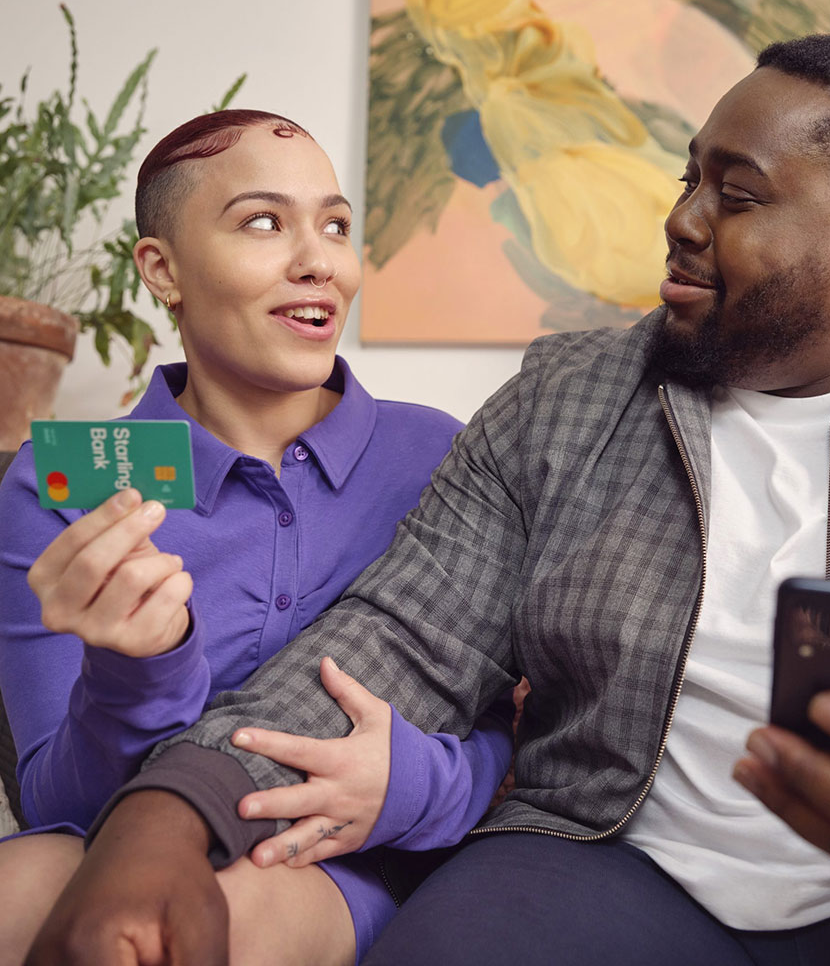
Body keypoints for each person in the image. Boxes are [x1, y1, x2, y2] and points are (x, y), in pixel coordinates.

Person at [26, 38, 830, 966]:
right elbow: (396, 639)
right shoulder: (567, 399)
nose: (682, 218)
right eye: (689, 176)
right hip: (620, 870)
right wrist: (170, 815)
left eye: (735, 194)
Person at [0, 110, 513, 966]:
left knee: (217, 922)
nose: (319, 260)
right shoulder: (76, 480)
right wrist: (137, 669)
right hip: (114, 839)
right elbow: (57, 804)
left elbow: (528, 732)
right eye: (264, 222)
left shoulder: (444, 455)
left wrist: (407, 788)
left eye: (337, 225)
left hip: (346, 864)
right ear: (162, 271)